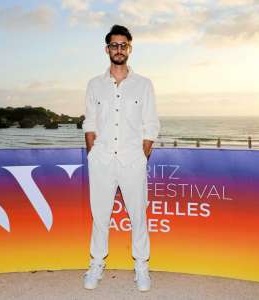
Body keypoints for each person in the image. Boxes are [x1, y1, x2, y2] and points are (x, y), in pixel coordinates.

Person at [82, 24, 160, 292]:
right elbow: (90, 124)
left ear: (130, 48)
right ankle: (96, 264)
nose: (118, 49)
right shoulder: (94, 85)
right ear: (107, 49)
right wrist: (92, 153)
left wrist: (142, 155)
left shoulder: (144, 84)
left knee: (138, 216)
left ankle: (141, 266)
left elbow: (151, 125)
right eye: (114, 45)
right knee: (100, 216)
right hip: (102, 159)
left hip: (132, 161)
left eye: (123, 45)